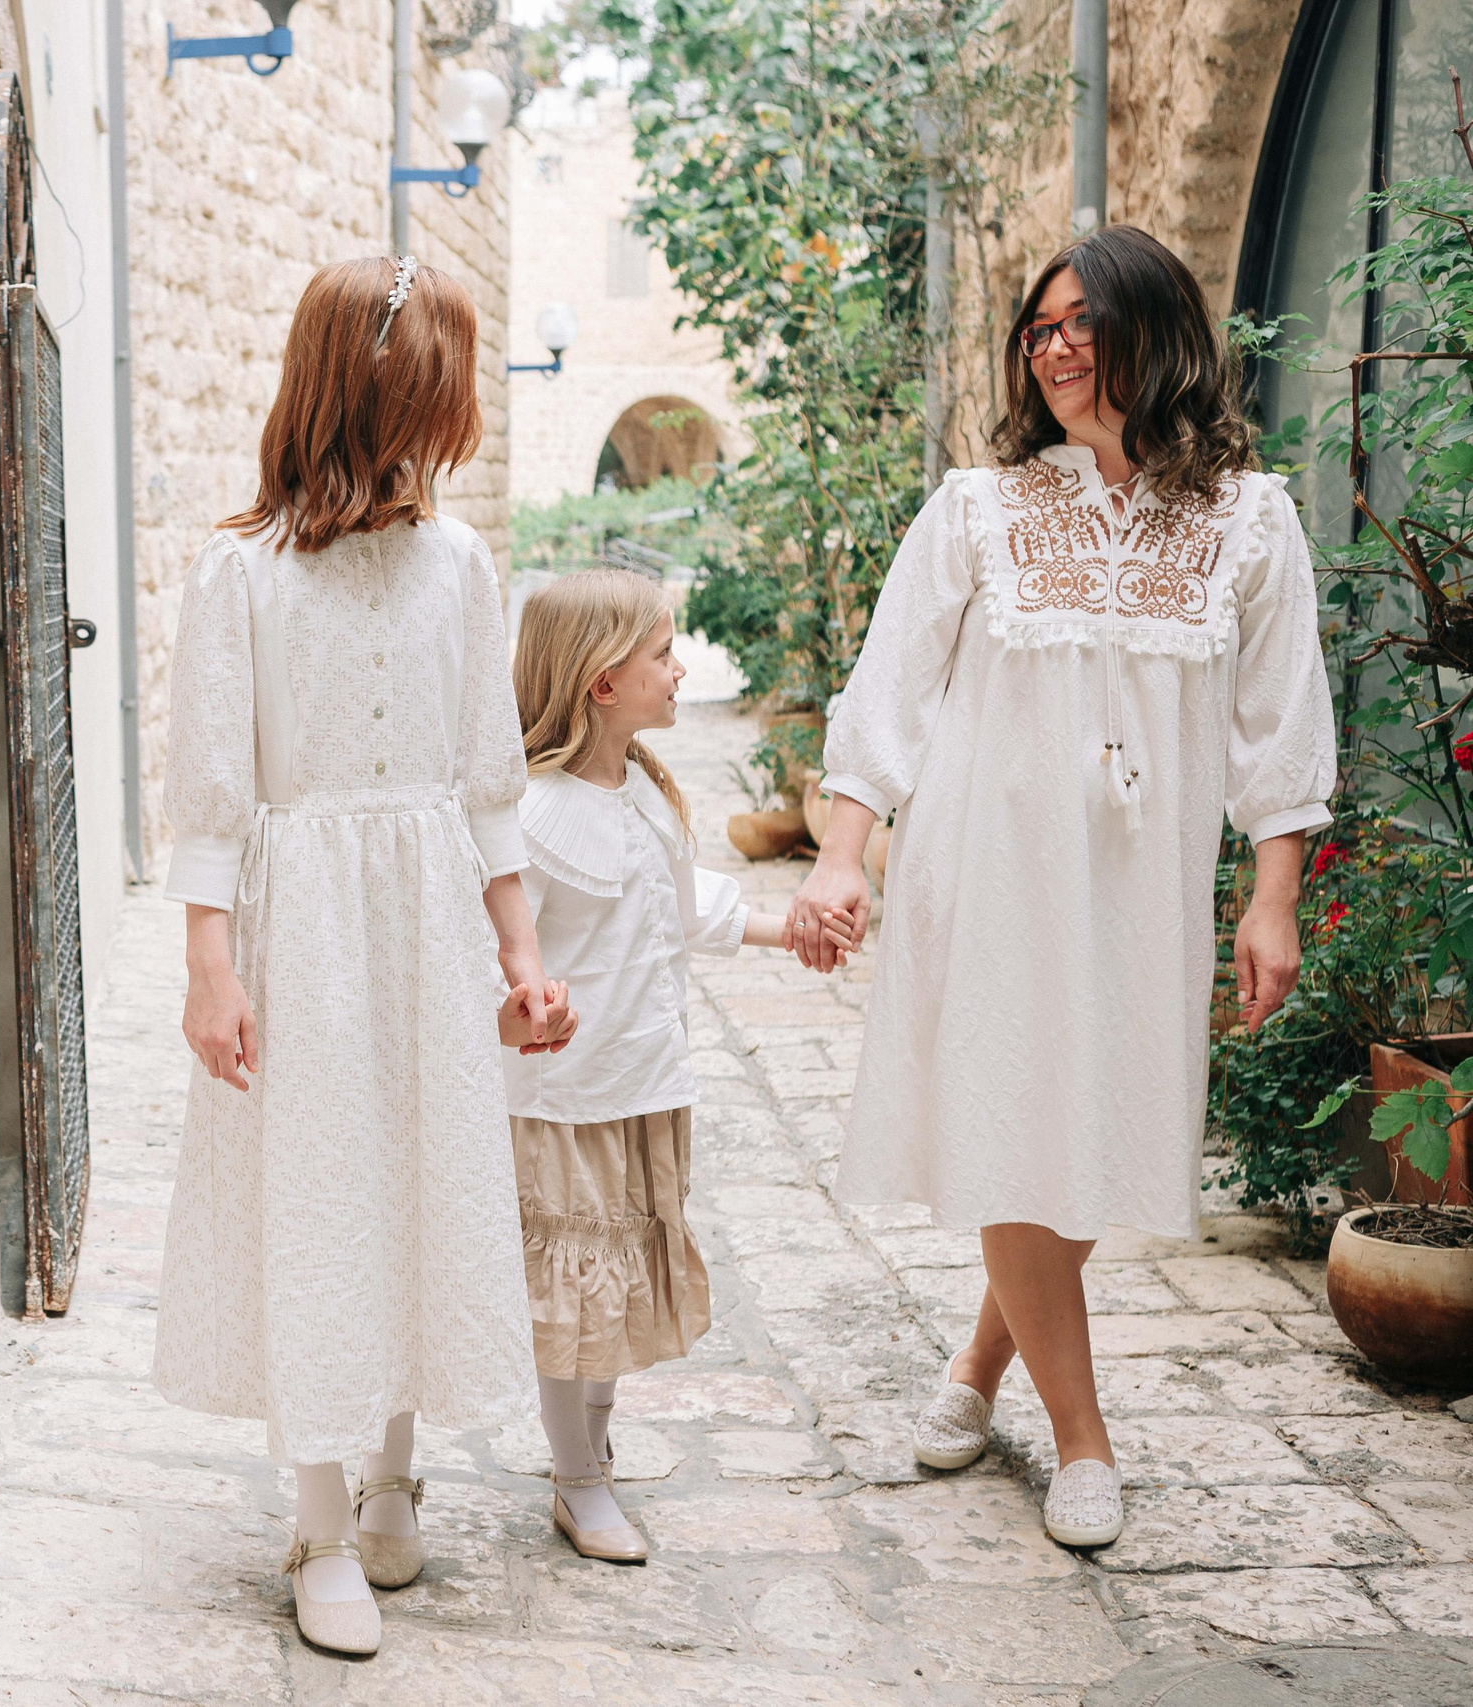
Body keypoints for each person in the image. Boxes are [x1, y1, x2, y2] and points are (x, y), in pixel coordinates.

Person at [788, 224, 1336, 1548]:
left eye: (1085, 319)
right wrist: (845, 852)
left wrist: (1270, 898)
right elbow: (891, 693)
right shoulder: (978, 509)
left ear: (1161, 333)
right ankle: (1082, 1438)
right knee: (1015, 1119)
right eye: (1041, 328)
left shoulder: (1250, 522)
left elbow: (1281, 725)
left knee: (1086, 1135)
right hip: (984, 868)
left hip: (1141, 892)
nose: (1059, 344)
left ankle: (979, 1366)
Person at [151, 254, 572, 1657]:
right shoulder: (244, 574)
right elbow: (210, 794)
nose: (454, 420)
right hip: (305, 923)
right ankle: (321, 1515)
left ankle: (398, 1473)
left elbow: (491, 781)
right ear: (376, 383)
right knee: (319, 1197)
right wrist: (213, 970)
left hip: (427, 919)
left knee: (413, 1178)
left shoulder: (459, 564)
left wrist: (521, 954)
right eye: (441, 384)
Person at [505, 569, 851, 1563]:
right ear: (599, 683)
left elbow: (680, 904)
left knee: (613, 1287)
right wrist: (516, 1017)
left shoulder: (642, 789)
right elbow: (490, 944)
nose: (680, 667)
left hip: (645, 1080)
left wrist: (792, 930)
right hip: (567, 1095)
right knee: (579, 1288)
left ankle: (588, 1453)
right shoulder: (532, 816)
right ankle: (579, 1479)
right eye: (662, 653)